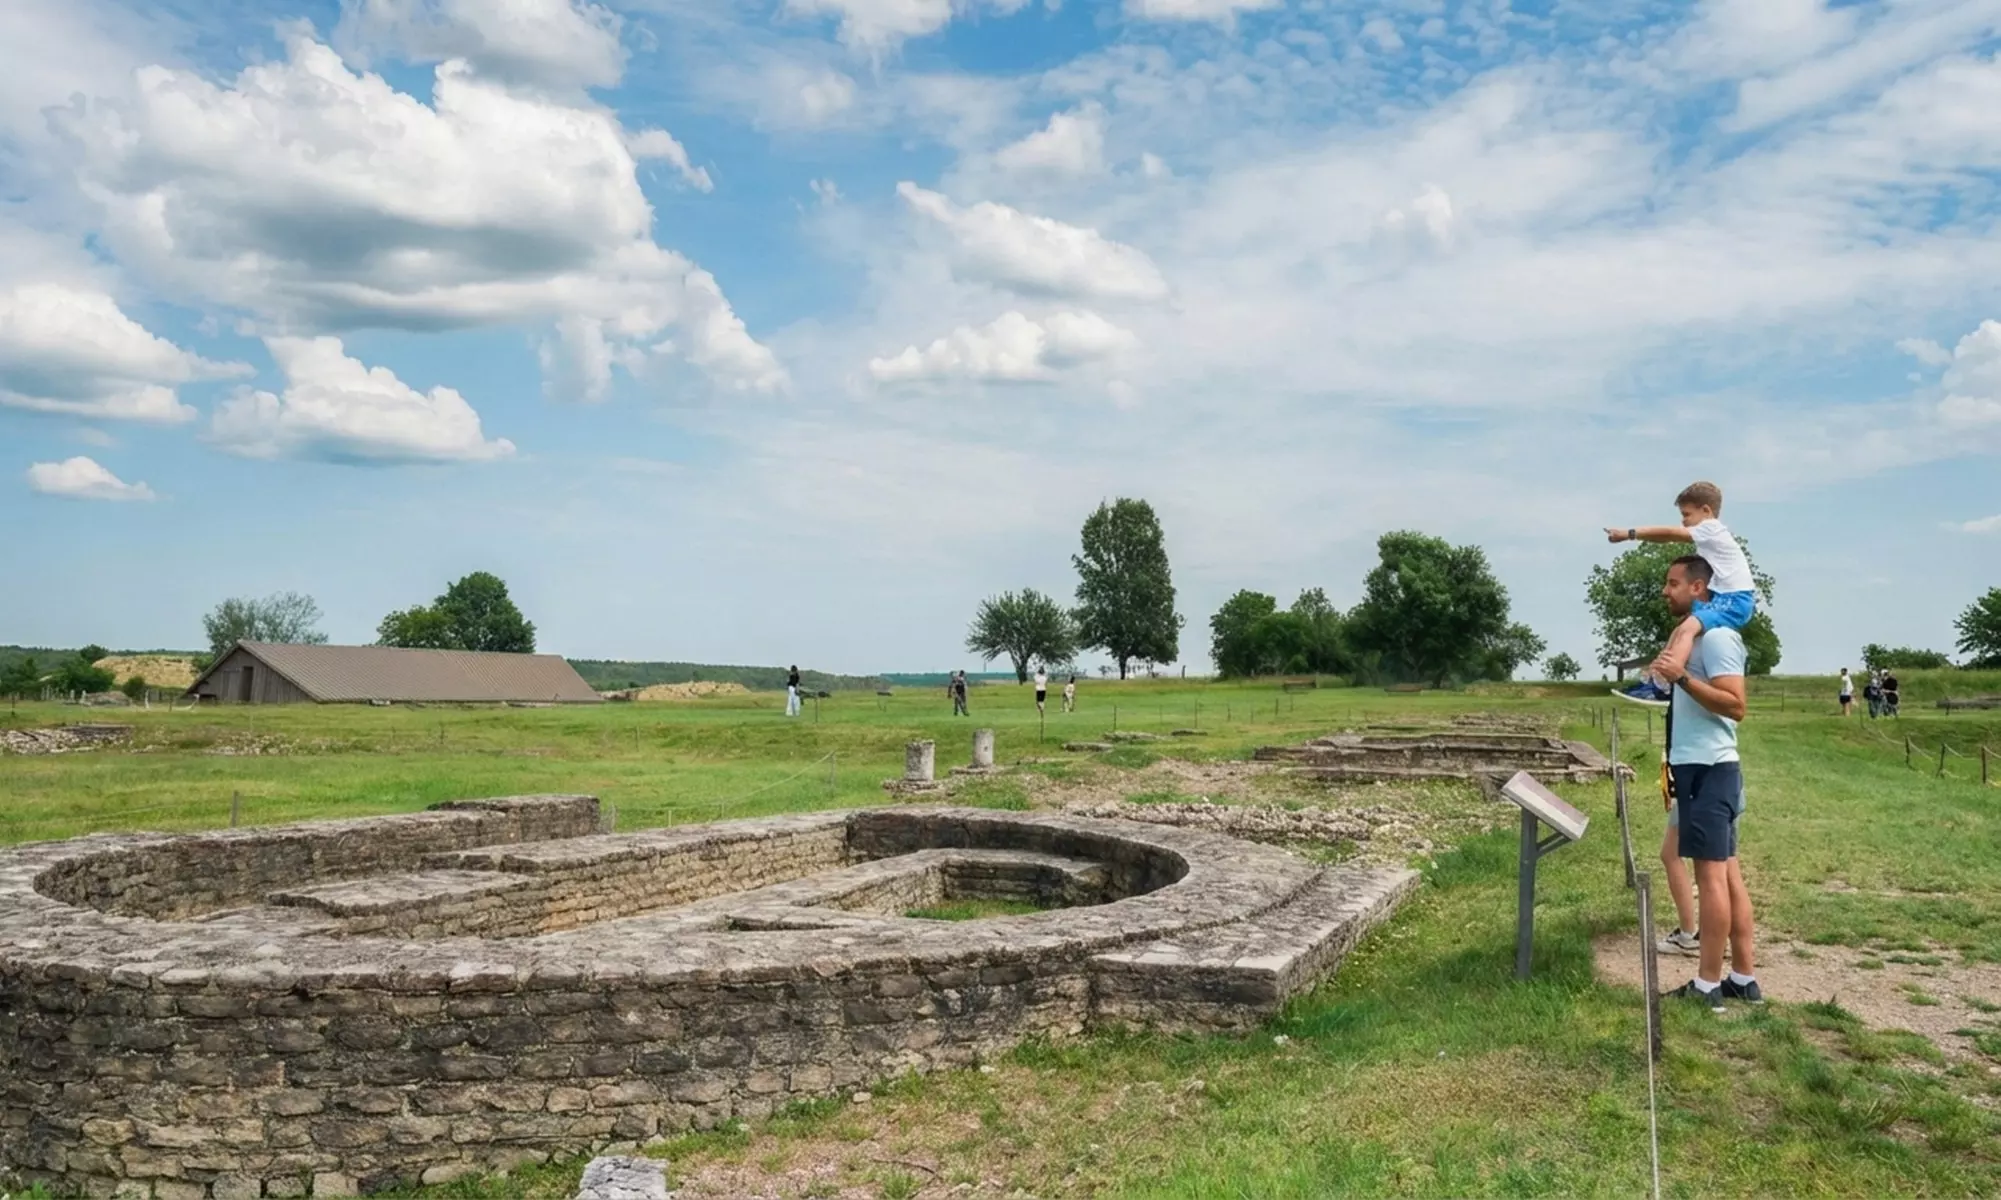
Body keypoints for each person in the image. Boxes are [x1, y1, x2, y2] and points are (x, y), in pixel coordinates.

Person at [1653, 554, 1761, 1011]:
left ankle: (1707, 987)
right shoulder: (1698, 637)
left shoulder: (1717, 638)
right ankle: (1743, 979)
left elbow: (1736, 706)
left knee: (1712, 878)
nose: (1666, 591)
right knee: (1728, 875)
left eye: (1673, 583)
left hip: (1708, 768)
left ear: (1698, 588)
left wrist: (1682, 678)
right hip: (1702, 766)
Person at [1605, 481, 1757, 706]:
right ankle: (1654, 679)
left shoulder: (1711, 528)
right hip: (1723, 598)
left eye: (1687, 514)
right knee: (1680, 629)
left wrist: (1629, 534)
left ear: (1706, 510)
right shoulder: (1711, 535)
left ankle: (1666, 685)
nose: (1683, 521)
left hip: (1735, 600)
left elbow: (1669, 534)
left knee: (1687, 629)